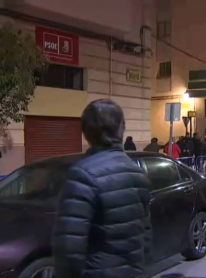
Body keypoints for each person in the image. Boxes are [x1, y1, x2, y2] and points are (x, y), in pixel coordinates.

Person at [52, 99, 152, 278]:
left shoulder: (81, 175)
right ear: (122, 129)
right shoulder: (138, 173)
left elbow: (69, 248)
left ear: (86, 133)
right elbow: (145, 234)